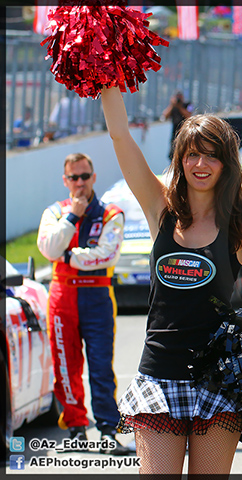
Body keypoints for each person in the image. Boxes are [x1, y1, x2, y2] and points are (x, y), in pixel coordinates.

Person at [100, 86, 242, 474]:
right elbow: (120, 135)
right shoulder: (159, 207)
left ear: (226, 163)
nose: (201, 163)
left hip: (219, 384)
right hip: (158, 376)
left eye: (212, 155)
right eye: (193, 154)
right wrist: (107, 76)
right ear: (180, 159)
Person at [37, 153, 131, 456]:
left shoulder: (111, 214)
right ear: (65, 181)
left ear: (93, 177)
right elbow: (50, 248)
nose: (80, 183)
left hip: (97, 297)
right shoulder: (54, 212)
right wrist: (72, 218)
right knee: (66, 366)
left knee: (101, 367)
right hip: (62, 296)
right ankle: (76, 428)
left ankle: (107, 429)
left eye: (85, 176)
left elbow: (107, 255)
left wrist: (68, 256)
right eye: (74, 178)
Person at [161, 91, 192, 159]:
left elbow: (189, 116)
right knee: (172, 154)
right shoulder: (173, 106)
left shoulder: (187, 105)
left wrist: (180, 107)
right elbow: (165, 116)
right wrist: (172, 105)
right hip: (174, 133)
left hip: (185, 131)